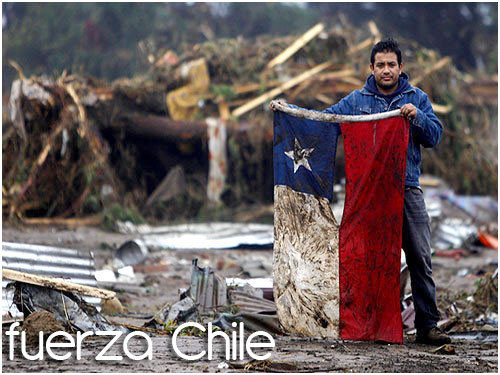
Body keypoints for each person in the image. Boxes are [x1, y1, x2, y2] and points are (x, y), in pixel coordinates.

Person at [270, 38, 450, 346]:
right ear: (372, 68)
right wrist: (290, 111)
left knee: (419, 257)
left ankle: (427, 325)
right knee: (365, 258)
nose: (386, 70)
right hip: (368, 195)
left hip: (406, 189)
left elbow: (434, 135)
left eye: (391, 64)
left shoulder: (416, 98)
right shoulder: (356, 101)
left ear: (401, 67)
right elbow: (325, 122)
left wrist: (415, 117)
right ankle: (368, 324)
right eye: (380, 65)